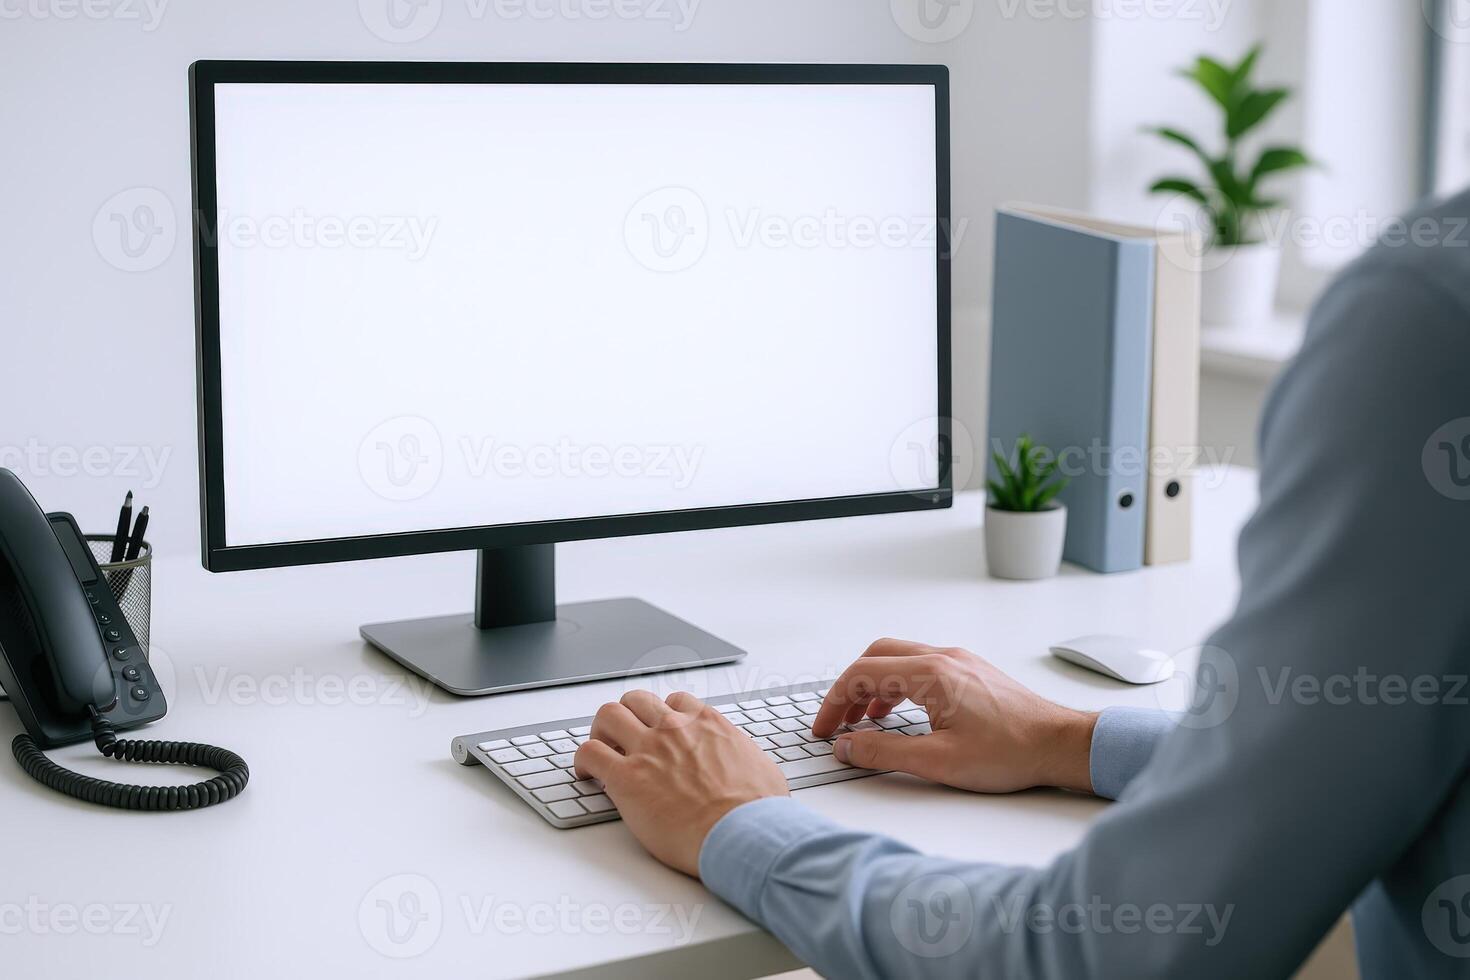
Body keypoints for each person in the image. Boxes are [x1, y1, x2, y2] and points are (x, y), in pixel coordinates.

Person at [573, 188, 1470, 978]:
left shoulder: (1430, 317)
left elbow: (1098, 954)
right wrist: (1065, 739)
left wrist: (737, 821)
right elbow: (1350, 756)